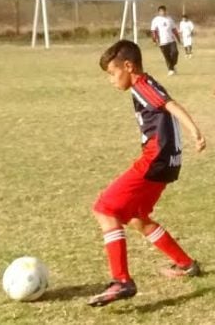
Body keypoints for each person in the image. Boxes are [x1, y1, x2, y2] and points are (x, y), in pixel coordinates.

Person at [88, 40, 206, 307]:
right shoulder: (145, 84)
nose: (111, 80)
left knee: (104, 209)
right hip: (167, 162)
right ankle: (186, 264)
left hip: (155, 160)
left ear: (128, 66)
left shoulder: (141, 85)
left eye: (112, 72)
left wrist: (195, 132)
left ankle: (122, 281)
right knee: (136, 217)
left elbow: (171, 105)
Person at [150, 5, 181, 75]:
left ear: (166, 11)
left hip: (171, 40)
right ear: (158, 12)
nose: (163, 12)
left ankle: (173, 65)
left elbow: (174, 29)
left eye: (164, 11)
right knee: (167, 56)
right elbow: (153, 31)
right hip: (162, 42)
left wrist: (178, 39)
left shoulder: (169, 19)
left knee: (175, 52)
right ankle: (171, 70)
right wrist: (154, 40)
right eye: (161, 11)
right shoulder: (156, 20)